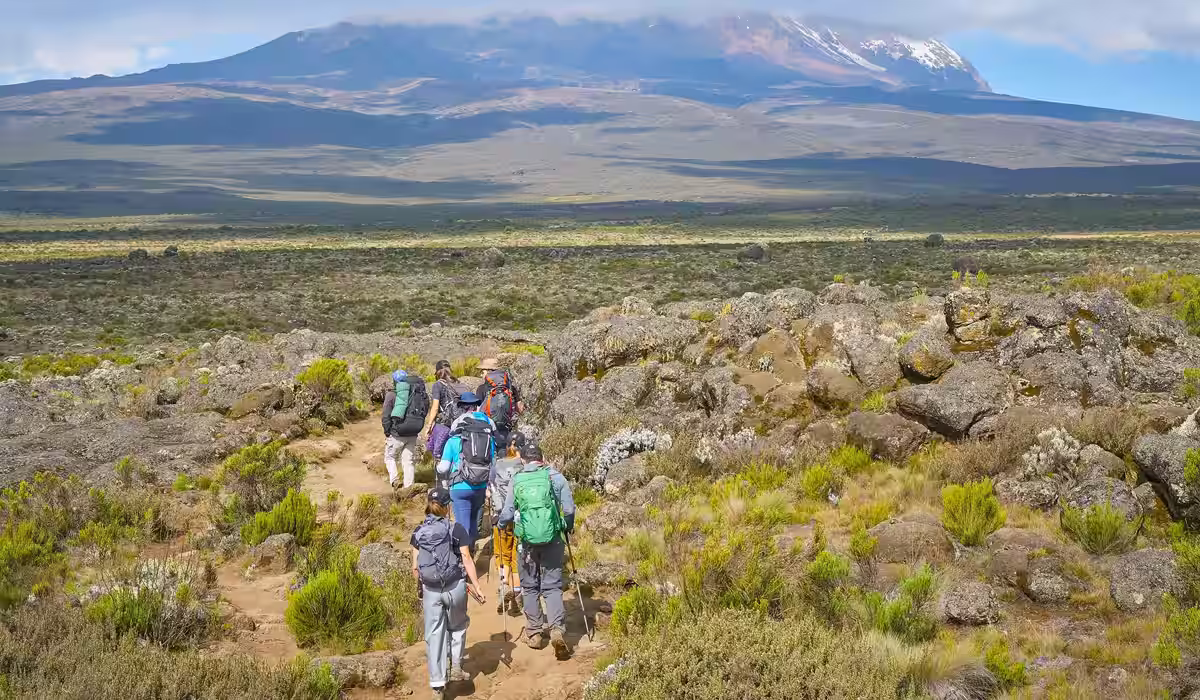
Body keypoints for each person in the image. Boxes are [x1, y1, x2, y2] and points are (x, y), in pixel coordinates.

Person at [497, 440, 576, 659]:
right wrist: (566, 527)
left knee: (530, 587)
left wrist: (501, 525)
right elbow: (568, 509)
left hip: (527, 543)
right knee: (552, 587)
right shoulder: (556, 477)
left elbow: (508, 511)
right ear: (543, 458)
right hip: (553, 539)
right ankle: (557, 631)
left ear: (523, 459)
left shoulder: (518, 479)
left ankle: (534, 633)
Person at [411, 487, 486, 700]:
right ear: (447, 507)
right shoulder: (456, 529)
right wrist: (477, 585)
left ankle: (437, 685)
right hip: (455, 588)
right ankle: (455, 667)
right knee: (458, 626)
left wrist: (421, 589)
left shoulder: (418, 532)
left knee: (434, 634)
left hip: (431, 589)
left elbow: (415, 567)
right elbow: (466, 558)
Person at [435, 392, 496, 554]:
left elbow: (443, 468)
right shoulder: (488, 439)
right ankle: (471, 550)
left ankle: (465, 562)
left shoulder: (453, 441)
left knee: (462, 526)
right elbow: (493, 461)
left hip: (460, 487)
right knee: (475, 523)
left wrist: (437, 469)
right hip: (481, 486)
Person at [490, 433, 524, 616]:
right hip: (519, 517)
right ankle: (518, 591)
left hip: (500, 515)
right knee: (516, 554)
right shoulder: (524, 467)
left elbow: (491, 489)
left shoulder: (497, 465)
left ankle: (504, 586)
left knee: (501, 552)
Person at [381, 369, 430, 490]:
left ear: (394, 381)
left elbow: (385, 415)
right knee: (408, 461)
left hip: (396, 433)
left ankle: (395, 480)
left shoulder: (391, 394)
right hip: (413, 433)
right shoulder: (416, 393)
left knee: (390, 457)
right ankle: (409, 488)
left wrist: (387, 432)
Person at [421, 360, 470, 460]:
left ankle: (441, 473)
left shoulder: (438, 385)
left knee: (441, 454)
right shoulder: (461, 385)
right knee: (458, 454)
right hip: (461, 425)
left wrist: (429, 425)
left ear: (437, 372)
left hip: (444, 424)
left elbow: (435, 407)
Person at [477, 358, 524, 452]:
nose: (481, 374)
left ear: (488, 371)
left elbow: (478, 410)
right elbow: (520, 409)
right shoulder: (510, 388)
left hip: (488, 429)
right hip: (505, 428)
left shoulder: (482, 388)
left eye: (482, 371)